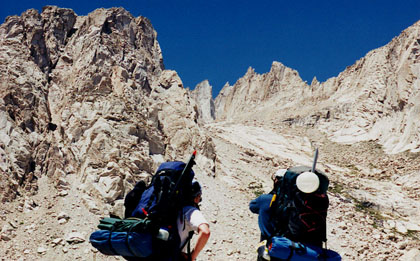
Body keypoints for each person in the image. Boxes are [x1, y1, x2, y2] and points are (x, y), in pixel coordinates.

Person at [249, 169, 286, 241]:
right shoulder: (296, 202)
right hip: (289, 245)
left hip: (268, 241)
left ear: (276, 181)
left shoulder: (264, 199)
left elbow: (252, 207)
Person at [177, 181, 211, 261]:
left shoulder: (171, 206)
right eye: (199, 197)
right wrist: (191, 257)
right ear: (196, 198)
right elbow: (205, 232)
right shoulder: (190, 211)